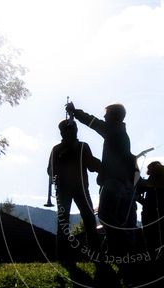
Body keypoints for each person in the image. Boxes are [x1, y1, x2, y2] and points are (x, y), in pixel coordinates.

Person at [65, 100, 137, 255]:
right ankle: (119, 251)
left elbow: (92, 122)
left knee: (105, 216)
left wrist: (75, 111)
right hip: (124, 183)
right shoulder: (122, 134)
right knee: (118, 218)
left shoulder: (113, 130)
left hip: (113, 183)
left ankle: (121, 246)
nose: (104, 117)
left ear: (113, 116)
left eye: (106, 114)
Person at [47, 119, 101, 261]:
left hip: (69, 189)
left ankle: (64, 257)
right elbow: (50, 171)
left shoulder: (58, 149)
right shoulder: (78, 147)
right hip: (78, 189)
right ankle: (94, 255)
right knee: (87, 220)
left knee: (67, 222)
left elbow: (50, 171)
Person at [136, 161, 164, 258]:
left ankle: (154, 257)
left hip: (155, 213)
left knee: (154, 236)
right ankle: (153, 257)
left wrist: (139, 199)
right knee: (152, 236)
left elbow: (153, 203)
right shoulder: (162, 184)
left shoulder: (162, 185)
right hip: (155, 213)